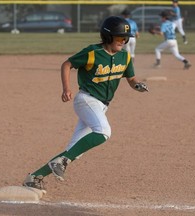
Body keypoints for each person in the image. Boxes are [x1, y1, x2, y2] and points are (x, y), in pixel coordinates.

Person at [22, 16, 149, 190]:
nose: (123, 41)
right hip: (87, 100)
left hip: (102, 106)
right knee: (104, 131)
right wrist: (66, 88)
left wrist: (137, 85)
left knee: (75, 149)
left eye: (125, 38)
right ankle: (62, 162)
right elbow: (67, 64)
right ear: (108, 36)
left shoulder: (124, 57)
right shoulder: (92, 53)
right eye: (120, 37)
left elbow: (131, 78)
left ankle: (34, 177)